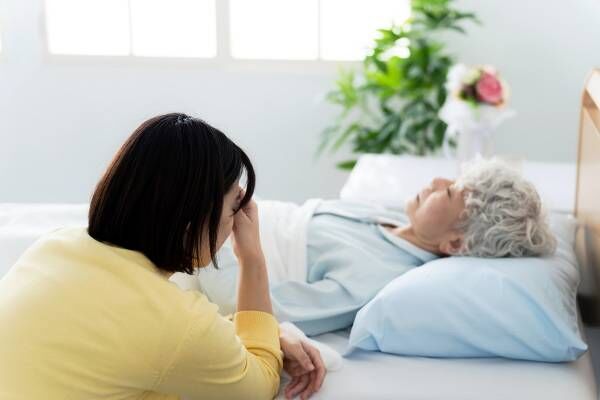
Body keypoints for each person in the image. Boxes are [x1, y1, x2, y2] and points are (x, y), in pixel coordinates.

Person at [0, 113, 325, 400]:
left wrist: (265, 332)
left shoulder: (54, 245)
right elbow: (259, 385)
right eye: (232, 210)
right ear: (193, 222)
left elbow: (133, 335)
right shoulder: (175, 323)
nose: (234, 225)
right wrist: (252, 258)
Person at [197, 158, 558, 337]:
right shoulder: (392, 219)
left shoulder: (377, 280)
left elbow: (253, 309)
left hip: (207, 253)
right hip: (224, 218)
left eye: (449, 192)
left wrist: (211, 232)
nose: (436, 180)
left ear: (455, 243)